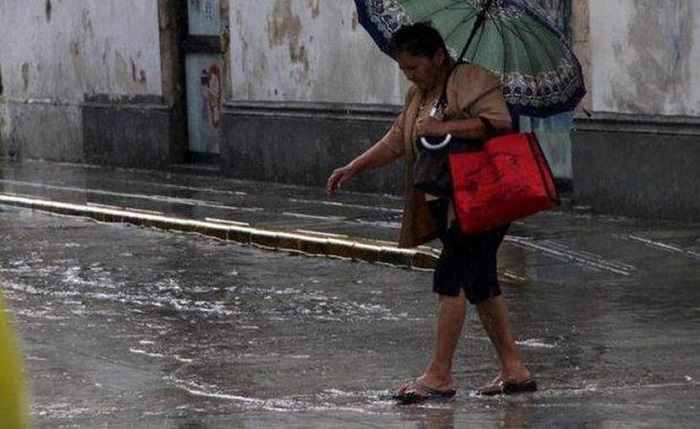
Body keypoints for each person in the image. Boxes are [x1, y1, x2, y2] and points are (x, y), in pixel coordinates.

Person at [325, 22, 536, 403]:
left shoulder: (471, 79)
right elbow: (396, 140)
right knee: (480, 283)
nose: (410, 74)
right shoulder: (420, 95)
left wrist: (445, 126)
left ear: (438, 56)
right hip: (448, 203)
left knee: (451, 277)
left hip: (481, 201)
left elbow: (500, 122)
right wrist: (352, 168)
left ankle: (439, 374)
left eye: (415, 67)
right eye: (404, 69)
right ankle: (514, 368)